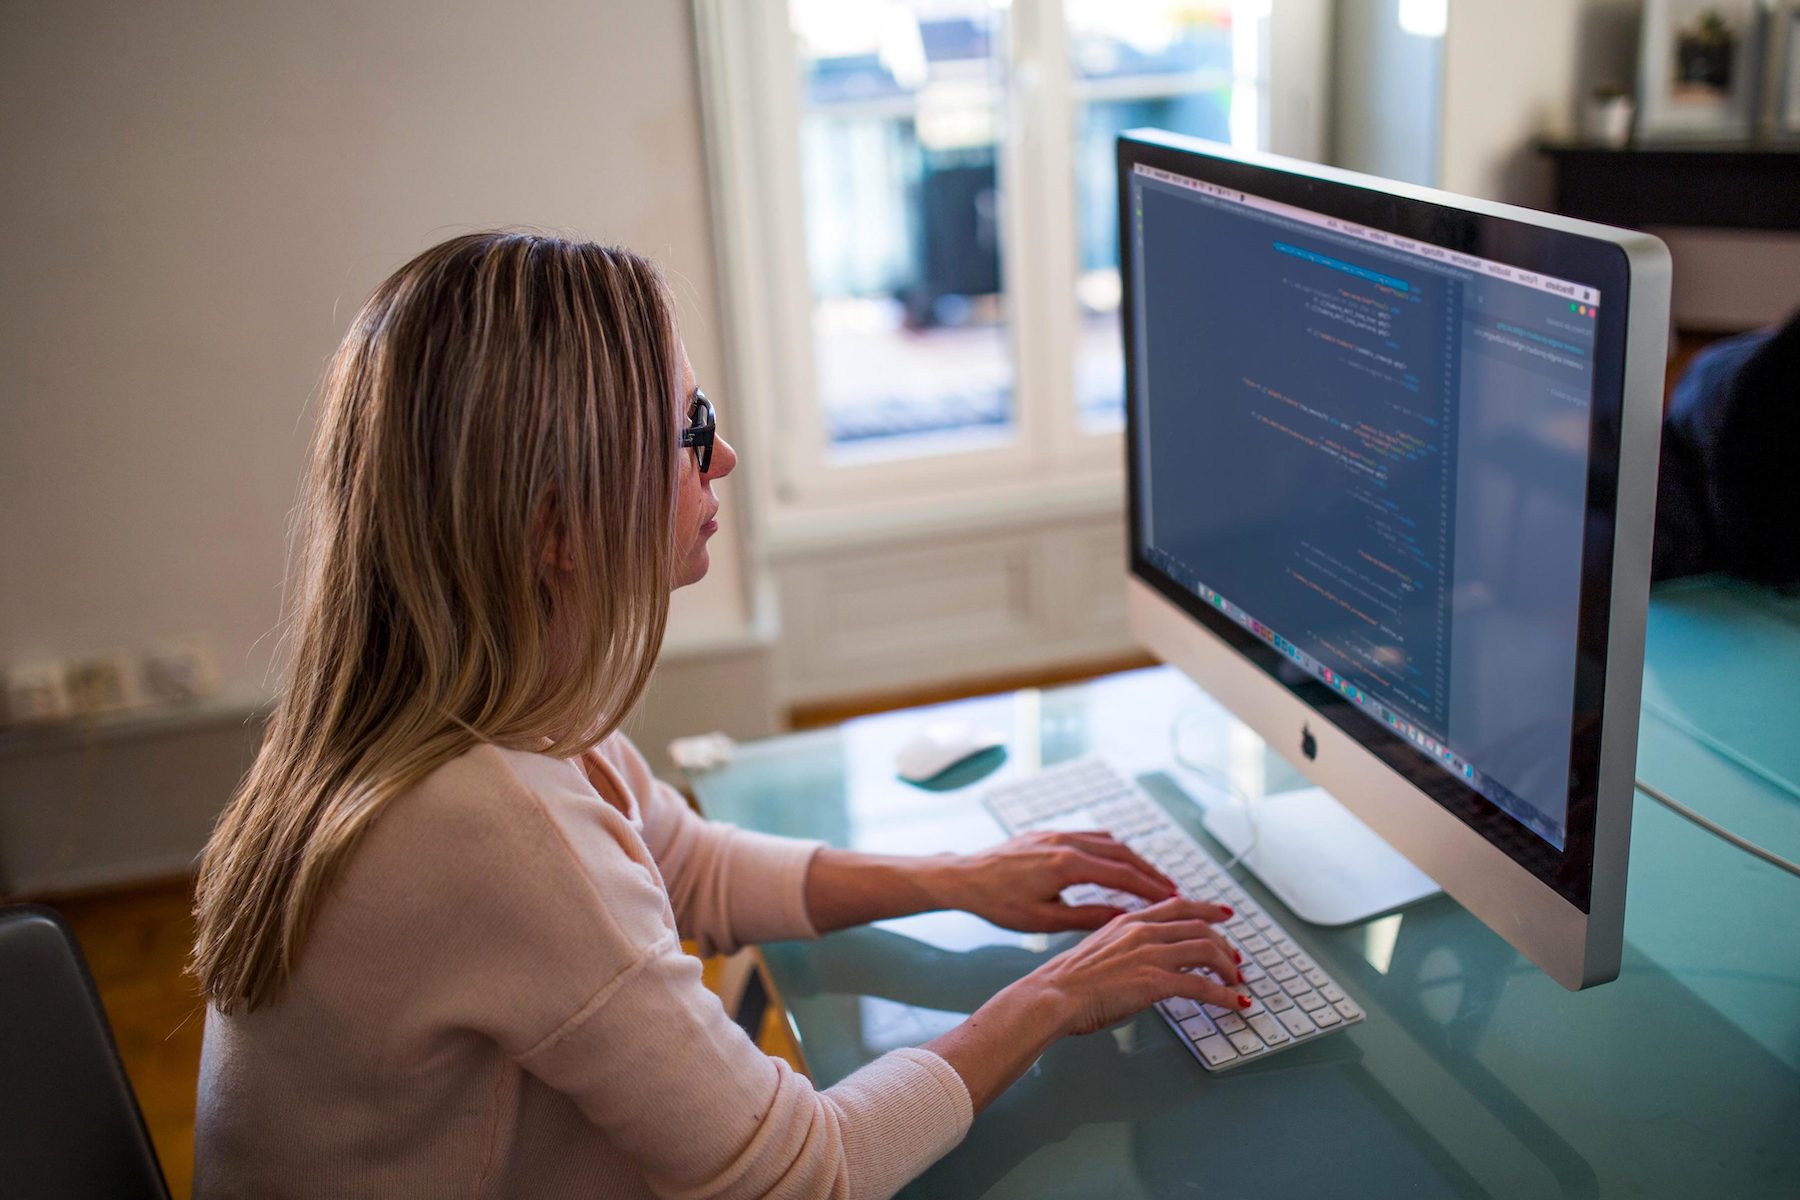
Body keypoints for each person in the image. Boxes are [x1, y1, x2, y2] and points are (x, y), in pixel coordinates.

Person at [189, 232, 1248, 1200]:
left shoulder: (463, 701)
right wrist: (1059, 996)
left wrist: (954, 881)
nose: (724, 459)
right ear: (557, 529)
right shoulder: (484, 825)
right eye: (692, 431)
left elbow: (686, 867)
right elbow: (805, 1175)